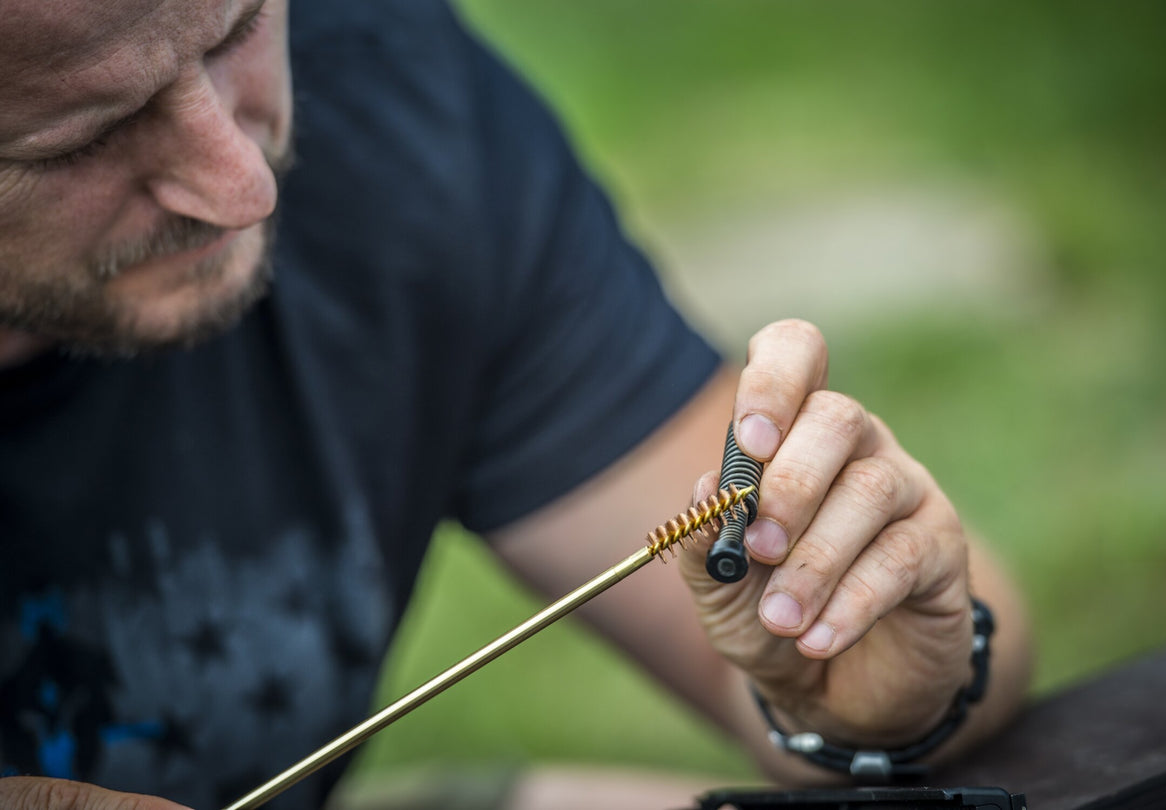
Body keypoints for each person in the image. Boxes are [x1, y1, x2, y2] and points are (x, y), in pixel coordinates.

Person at [0, 0, 1033, 809]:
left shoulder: (391, 103)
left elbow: (903, 641)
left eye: (235, 32)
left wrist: (869, 699)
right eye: (81, 138)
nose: (244, 189)